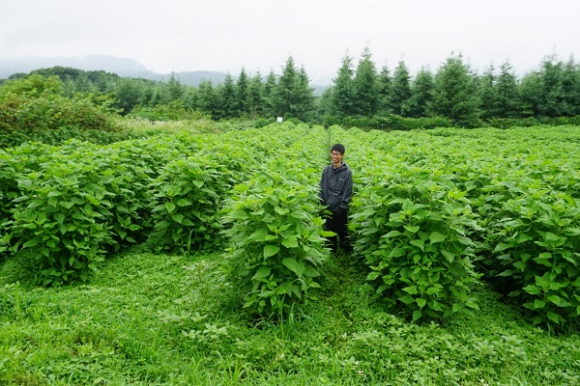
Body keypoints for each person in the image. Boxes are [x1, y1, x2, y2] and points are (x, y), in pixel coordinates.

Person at [319, 143, 353, 252]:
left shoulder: (347, 172)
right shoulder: (326, 170)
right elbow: (322, 187)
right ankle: (332, 251)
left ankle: (346, 251)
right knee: (329, 231)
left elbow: (348, 190)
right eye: (333, 154)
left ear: (342, 155)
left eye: (337, 154)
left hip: (339, 208)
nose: (335, 156)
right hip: (327, 207)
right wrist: (322, 205)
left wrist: (343, 206)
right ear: (330, 154)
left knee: (342, 231)